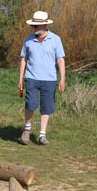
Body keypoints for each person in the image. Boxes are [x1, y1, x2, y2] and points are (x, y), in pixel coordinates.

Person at [18, 11, 65, 146]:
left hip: (49, 80)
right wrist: (20, 79)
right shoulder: (28, 39)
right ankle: (27, 130)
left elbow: (61, 60)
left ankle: (42, 136)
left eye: (36, 26)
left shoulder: (56, 39)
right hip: (31, 78)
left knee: (47, 107)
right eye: (33, 26)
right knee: (31, 104)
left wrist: (62, 79)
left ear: (44, 25)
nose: (33, 28)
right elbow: (23, 60)